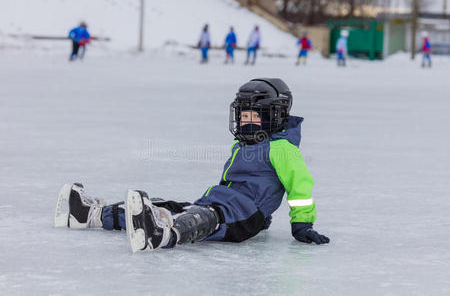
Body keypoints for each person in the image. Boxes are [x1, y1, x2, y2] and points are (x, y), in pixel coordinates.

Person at [54, 78, 330, 252]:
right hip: (220, 202)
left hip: (242, 215)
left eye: (255, 116)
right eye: (243, 114)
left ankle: (164, 236)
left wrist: (301, 225)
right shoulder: (244, 145)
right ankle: (89, 215)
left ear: (276, 116)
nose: (246, 121)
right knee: (169, 206)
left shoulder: (282, 149)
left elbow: (300, 189)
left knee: (205, 218)